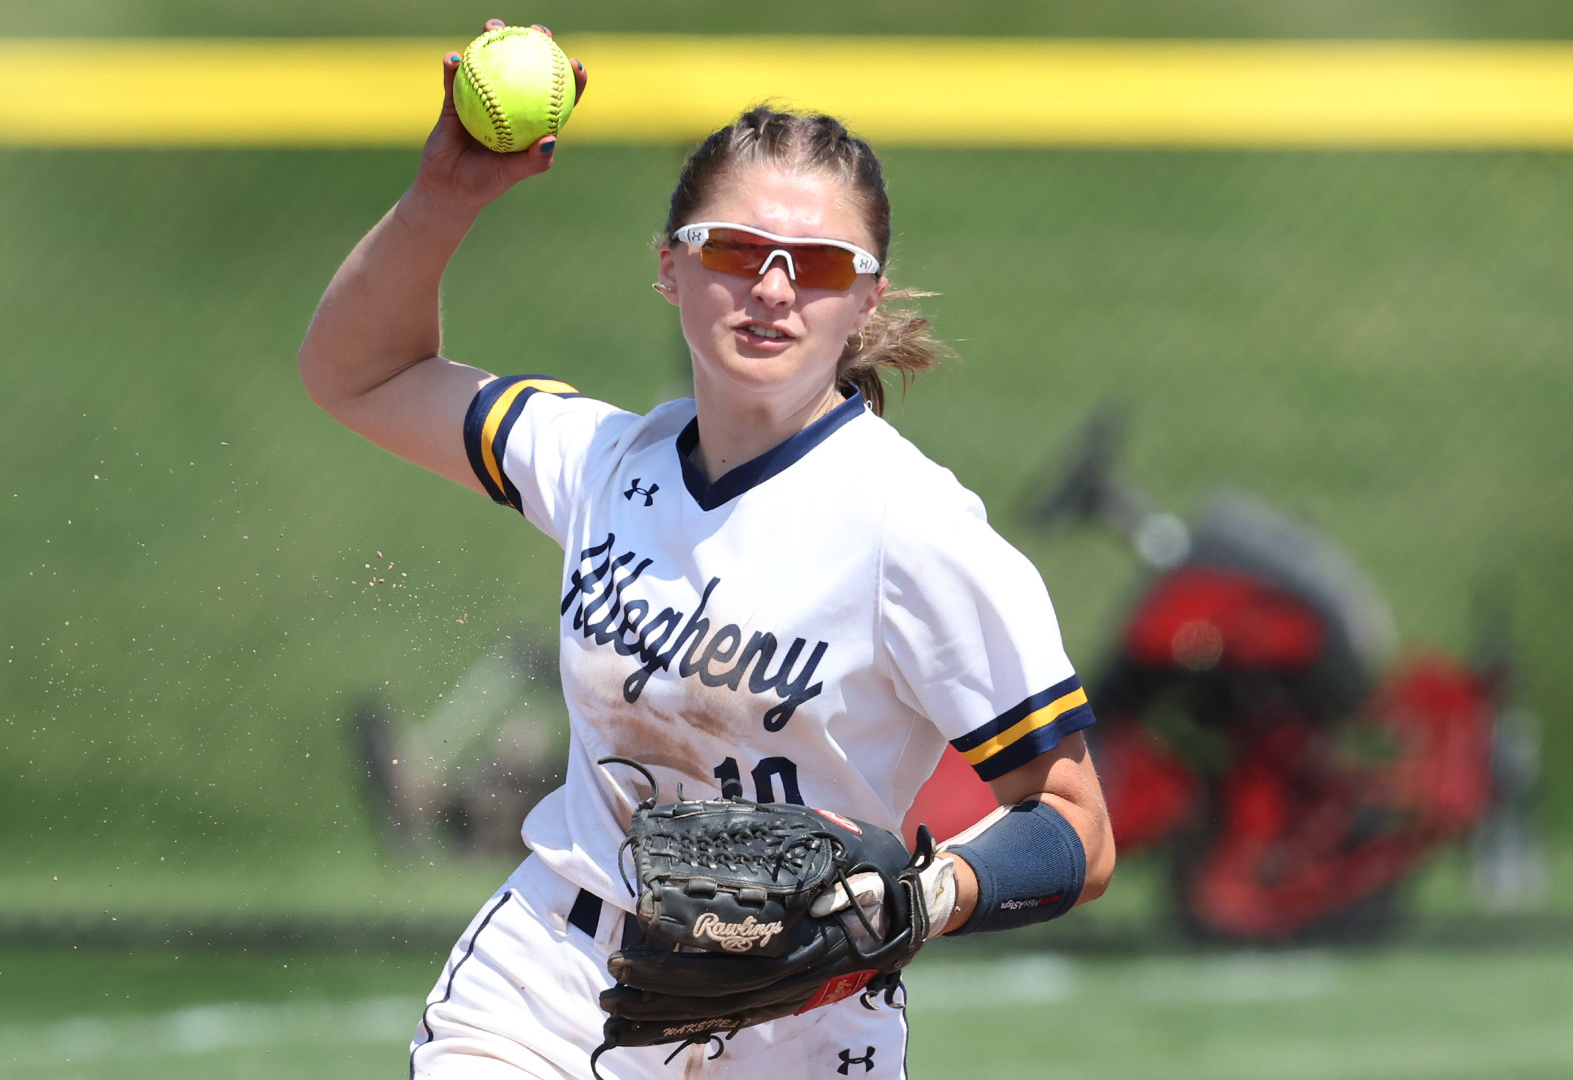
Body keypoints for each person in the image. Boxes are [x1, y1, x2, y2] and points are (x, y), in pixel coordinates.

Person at [298, 21, 1115, 1079]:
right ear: (672, 271)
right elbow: (356, 374)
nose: (773, 287)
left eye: (818, 264)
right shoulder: (600, 458)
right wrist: (445, 198)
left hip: (803, 1017)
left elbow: (1076, 824)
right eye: (735, 251)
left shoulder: (909, 529)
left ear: (867, 297)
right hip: (554, 979)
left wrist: (923, 896)